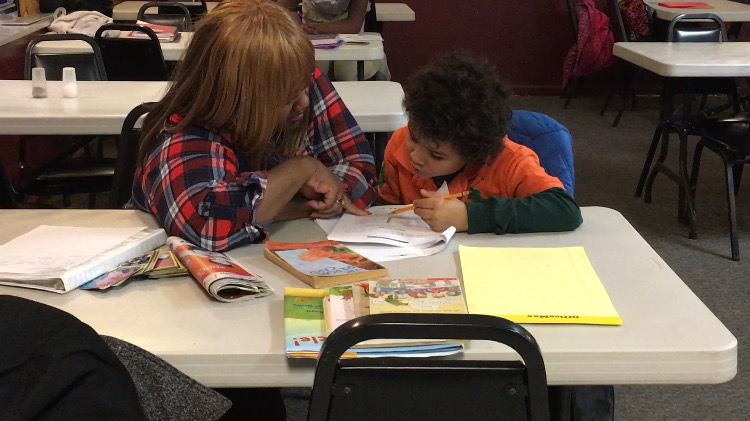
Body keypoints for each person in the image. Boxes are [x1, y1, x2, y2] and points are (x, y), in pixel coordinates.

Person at [131, 0, 376, 252]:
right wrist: (301, 172)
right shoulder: (181, 132)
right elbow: (208, 225)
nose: (303, 103)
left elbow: (361, 170)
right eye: (289, 98)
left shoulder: (292, 75)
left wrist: (290, 203)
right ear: (238, 99)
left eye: (304, 89)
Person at [378, 52, 582, 234]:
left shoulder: (509, 162)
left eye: (436, 155)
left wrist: (469, 217)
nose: (415, 156)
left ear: (473, 153)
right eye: (413, 137)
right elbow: (385, 211)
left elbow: (565, 210)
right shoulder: (398, 144)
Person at [277, 0, 389, 80]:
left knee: (346, 72)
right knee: (312, 72)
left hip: (348, 33)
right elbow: (280, 7)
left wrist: (318, 28)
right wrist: (294, 23)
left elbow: (353, 25)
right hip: (312, 33)